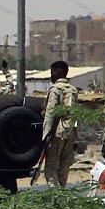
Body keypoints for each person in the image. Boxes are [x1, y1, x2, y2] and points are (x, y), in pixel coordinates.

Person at [41, 60, 79, 188]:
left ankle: (57, 197)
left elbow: (50, 114)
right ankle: (62, 196)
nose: (51, 76)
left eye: (52, 73)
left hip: (57, 133)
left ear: (57, 73)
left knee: (50, 170)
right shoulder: (73, 90)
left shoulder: (55, 89)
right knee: (63, 169)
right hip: (70, 133)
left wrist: (45, 135)